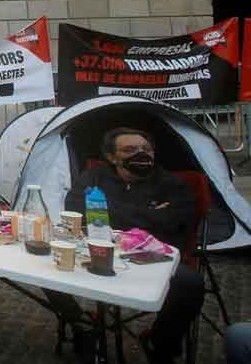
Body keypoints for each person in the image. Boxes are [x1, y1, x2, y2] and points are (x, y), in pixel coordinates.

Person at [45, 127, 203, 363]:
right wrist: (149, 214)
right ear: (112, 157)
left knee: (191, 282)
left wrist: (105, 210)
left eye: (146, 149)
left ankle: (160, 343)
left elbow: (177, 220)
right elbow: (75, 207)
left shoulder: (172, 183)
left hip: (152, 256)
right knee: (45, 266)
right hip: (95, 249)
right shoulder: (94, 176)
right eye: (130, 150)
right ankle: (82, 323)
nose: (141, 154)